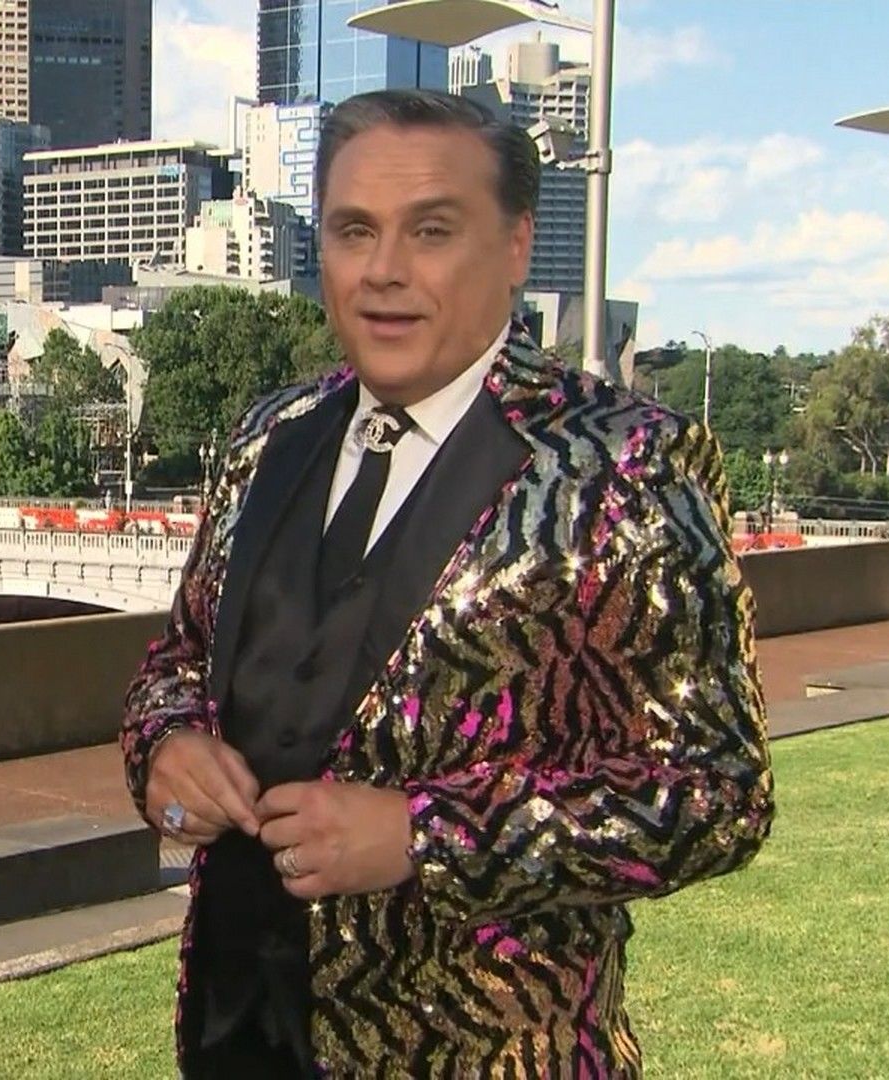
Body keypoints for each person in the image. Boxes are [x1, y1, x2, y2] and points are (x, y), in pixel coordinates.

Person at [121, 89, 774, 1077]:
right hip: (236, 1040)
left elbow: (717, 793)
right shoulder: (270, 435)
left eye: (430, 231)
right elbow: (178, 661)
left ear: (515, 245)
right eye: (354, 231)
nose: (384, 270)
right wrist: (163, 750)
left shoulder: (625, 464)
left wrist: (425, 836)